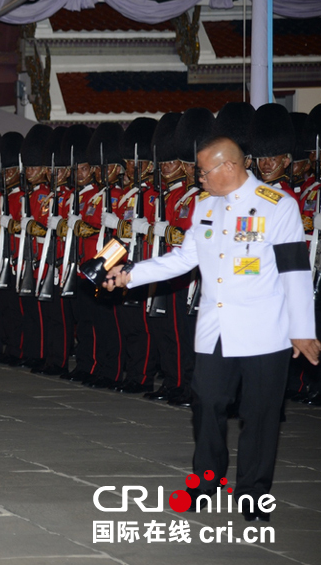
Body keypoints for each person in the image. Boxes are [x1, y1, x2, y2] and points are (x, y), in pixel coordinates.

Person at [103, 134, 320, 522]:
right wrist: (129, 274)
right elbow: (184, 258)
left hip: (263, 331)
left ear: (229, 167)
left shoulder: (278, 207)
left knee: (259, 415)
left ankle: (253, 493)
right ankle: (207, 480)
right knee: (206, 404)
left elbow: (294, 272)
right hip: (215, 329)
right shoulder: (206, 205)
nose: (198, 179)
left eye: (203, 172)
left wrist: (302, 330)